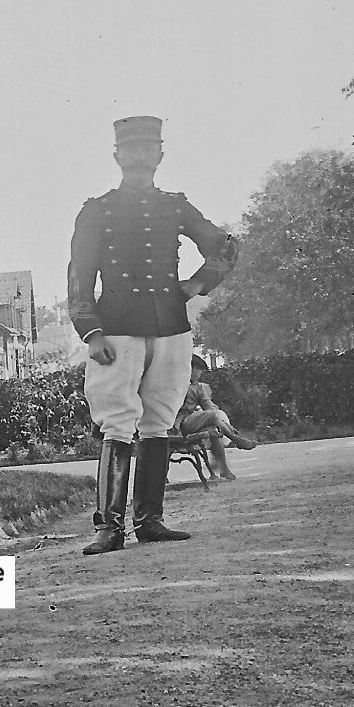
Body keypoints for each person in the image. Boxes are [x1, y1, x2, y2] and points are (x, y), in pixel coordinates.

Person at [68, 115, 238, 554]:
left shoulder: (175, 206)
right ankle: (109, 528)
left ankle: (150, 521)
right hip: (117, 327)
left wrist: (200, 284)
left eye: (149, 148)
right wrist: (90, 331)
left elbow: (224, 245)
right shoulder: (97, 210)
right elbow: (80, 273)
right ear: (117, 156)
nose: (140, 156)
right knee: (117, 423)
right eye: (132, 149)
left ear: (160, 155)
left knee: (159, 420)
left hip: (170, 326)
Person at [174, 354, 257, 481]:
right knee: (212, 415)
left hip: (195, 421)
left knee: (214, 429)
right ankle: (235, 438)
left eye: (200, 371)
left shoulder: (199, 387)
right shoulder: (177, 384)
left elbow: (209, 406)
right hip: (180, 423)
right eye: (195, 369)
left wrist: (224, 424)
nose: (197, 373)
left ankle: (224, 469)